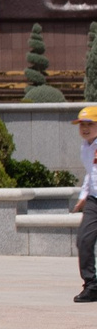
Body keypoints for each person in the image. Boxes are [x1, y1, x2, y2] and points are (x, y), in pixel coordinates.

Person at [73, 104, 97, 304]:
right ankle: (91, 285)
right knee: (83, 240)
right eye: (82, 124)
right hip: (94, 201)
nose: (85, 128)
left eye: (90, 124)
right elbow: (91, 174)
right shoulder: (85, 148)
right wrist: (83, 196)